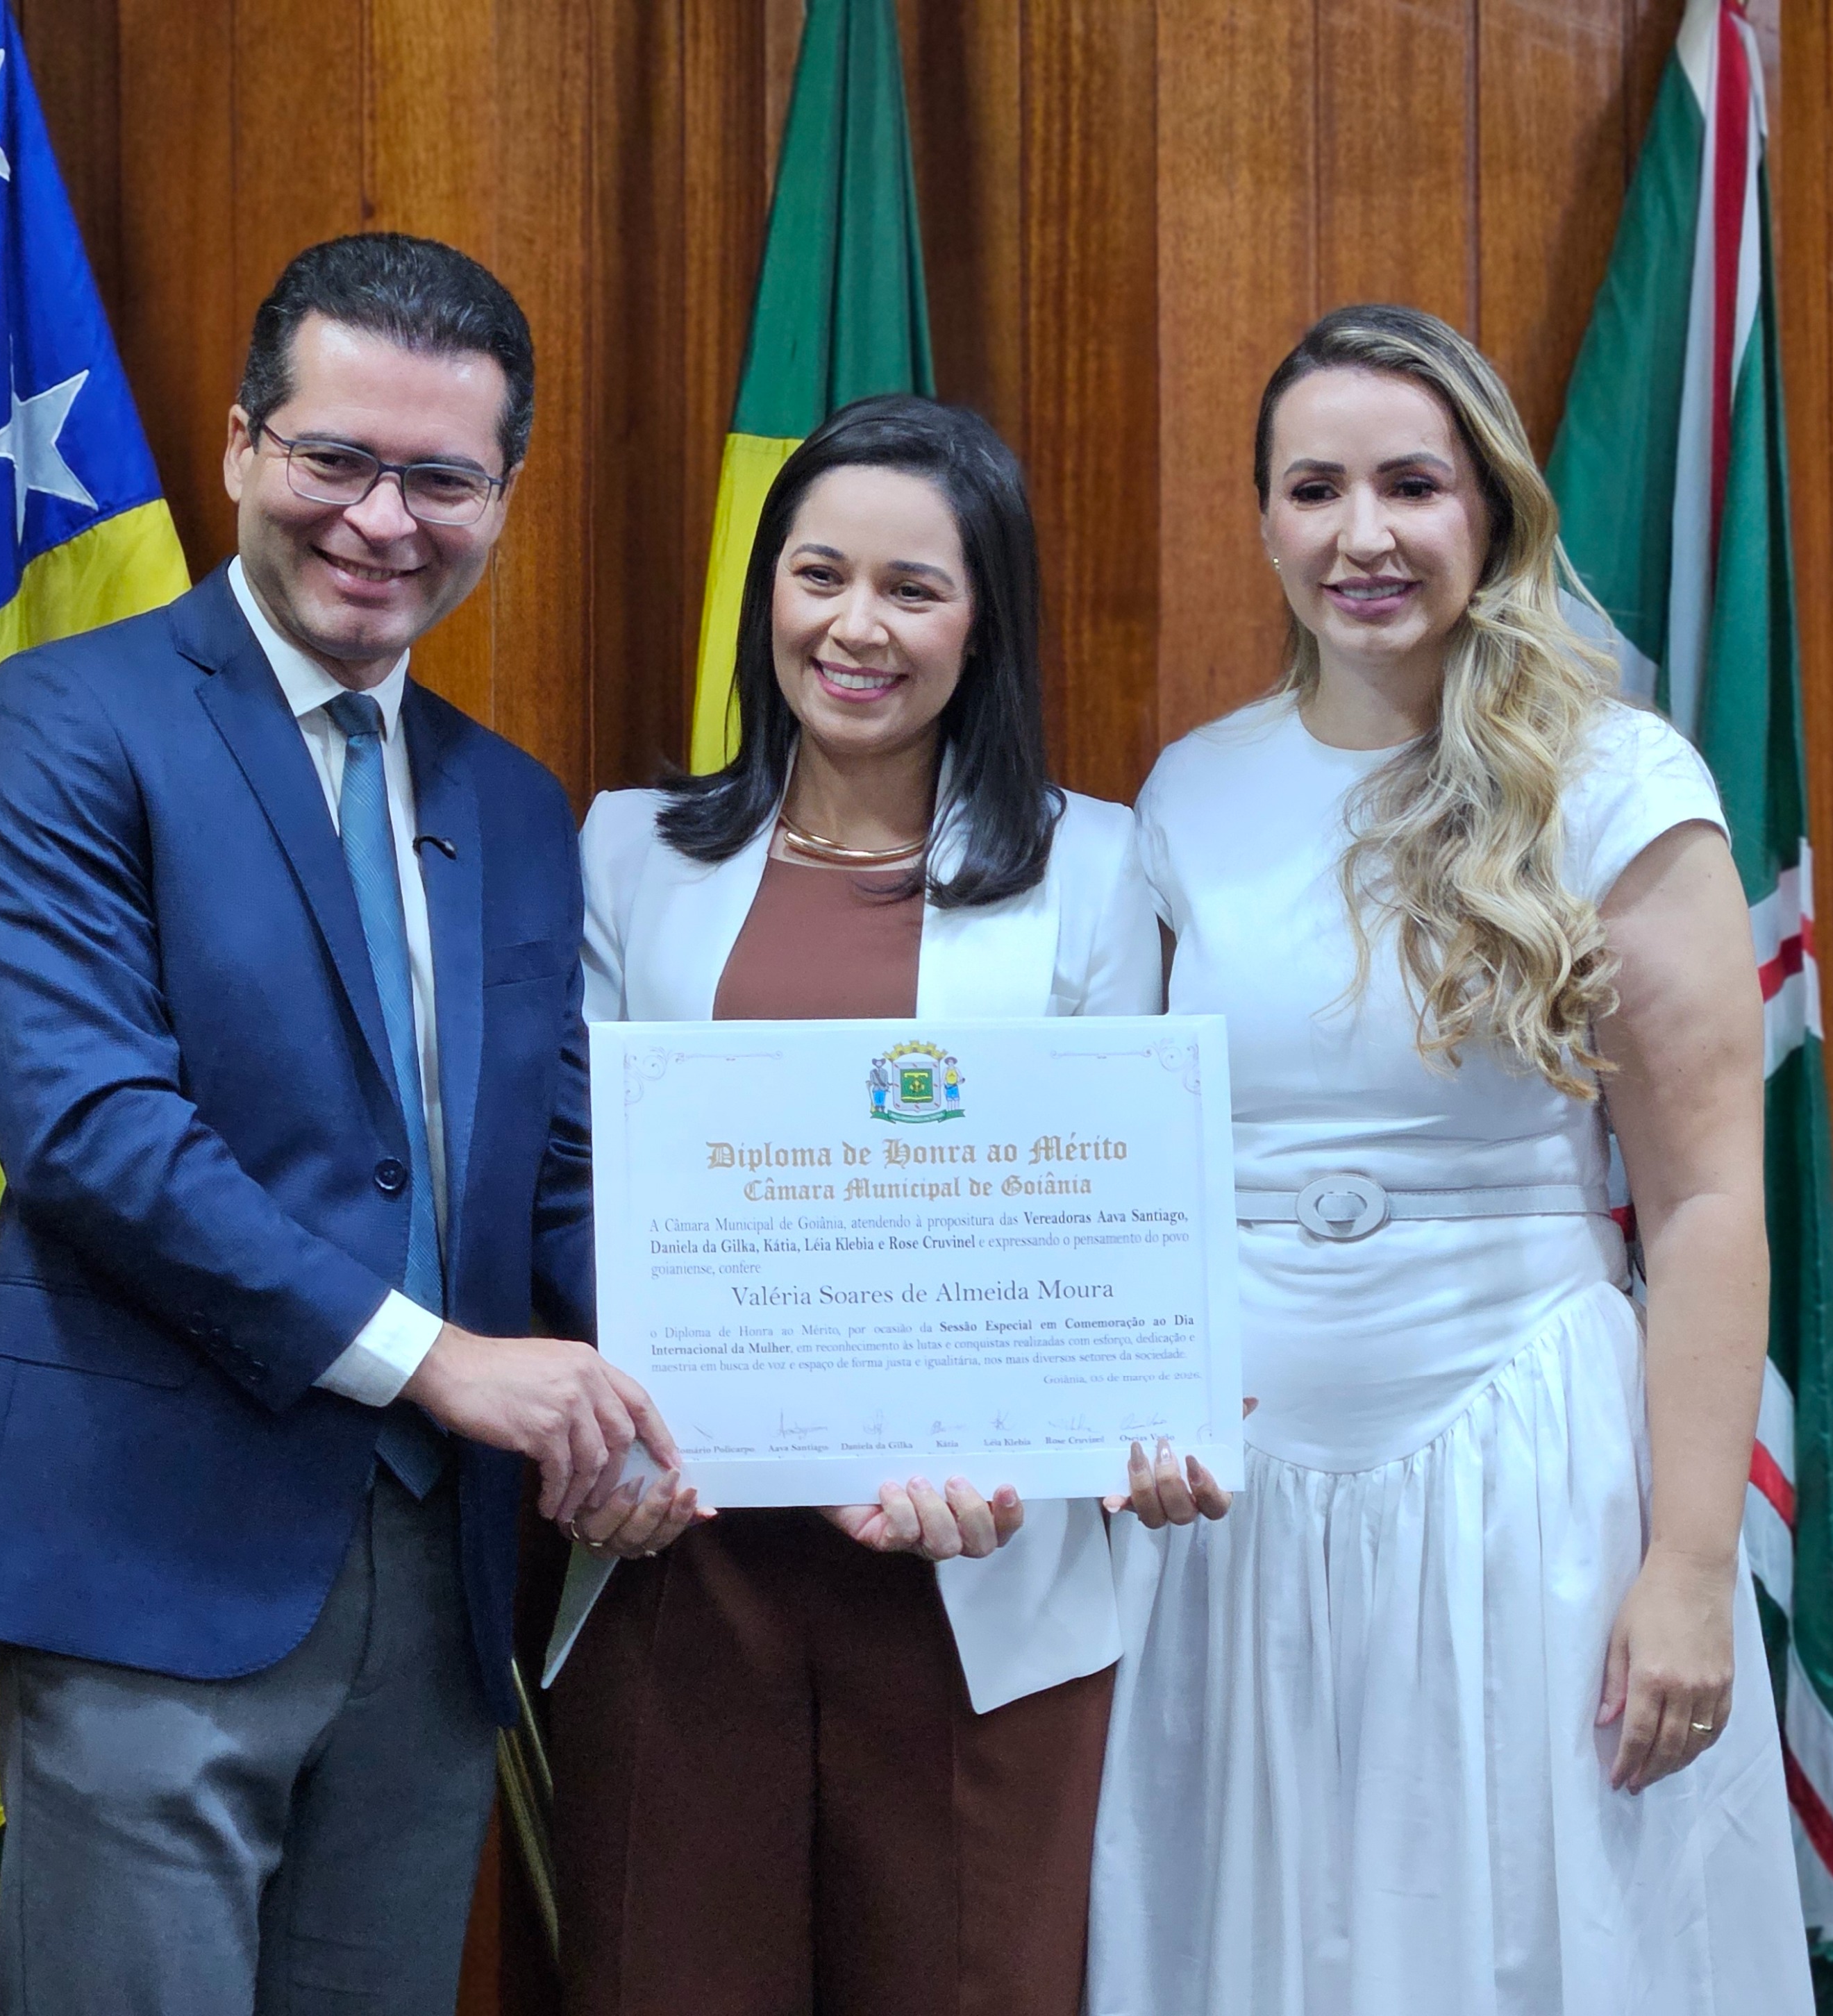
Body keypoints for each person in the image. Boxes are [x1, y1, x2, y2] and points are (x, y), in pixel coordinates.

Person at [0, 232, 694, 2016]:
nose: (381, 520)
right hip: (151, 1562)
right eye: (335, 458)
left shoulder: (514, 805)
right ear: (239, 447)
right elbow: (97, 1133)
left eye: (441, 479)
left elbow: (557, 1175)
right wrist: (442, 1362)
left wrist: (719, 1398)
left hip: (439, 1589)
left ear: (503, 496)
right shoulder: (66, 720)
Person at [1085, 305, 1813, 2014]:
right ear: (1264, 522)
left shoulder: (1620, 784)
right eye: (1314, 489)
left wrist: (1687, 1570)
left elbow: (1707, 1204)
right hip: (1237, 1508)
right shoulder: (1189, 793)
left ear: (1490, 510)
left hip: (1529, 1480)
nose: (1363, 535)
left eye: (1411, 485)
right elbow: (1132, 1172)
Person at [546, 394, 1162, 2016]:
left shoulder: (1097, 870)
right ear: (768, 593)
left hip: (975, 1576)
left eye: (912, 588)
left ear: (983, 621)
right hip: (685, 1563)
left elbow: (1107, 1228)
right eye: (819, 576)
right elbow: (577, 1189)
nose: (856, 627)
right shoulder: (626, 854)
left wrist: (1027, 1442)